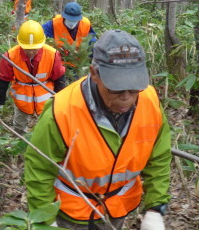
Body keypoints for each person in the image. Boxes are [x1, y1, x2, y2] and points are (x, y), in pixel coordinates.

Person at [24, 29, 172, 230]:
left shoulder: (150, 102)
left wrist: (155, 208)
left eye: (134, 87)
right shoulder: (63, 110)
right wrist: (45, 218)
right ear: (94, 74)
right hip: (70, 214)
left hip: (118, 209)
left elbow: (159, 158)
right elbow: (39, 167)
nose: (127, 97)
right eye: (117, 88)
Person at [0, 20, 66, 135]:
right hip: (22, 99)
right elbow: (3, 78)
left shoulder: (52, 54)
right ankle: (18, 141)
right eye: (27, 48)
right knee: (19, 125)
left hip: (46, 98)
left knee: (48, 124)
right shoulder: (10, 56)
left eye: (34, 49)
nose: (31, 52)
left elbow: (59, 78)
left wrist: (61, 100)